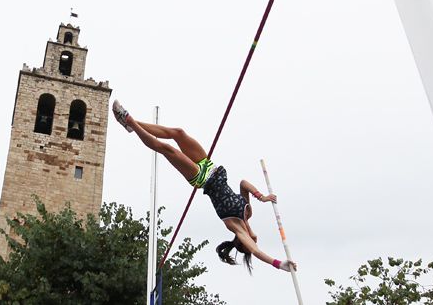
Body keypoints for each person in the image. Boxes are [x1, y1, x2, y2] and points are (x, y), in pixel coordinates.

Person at [112, 100, 297, 274]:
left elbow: (256, 252)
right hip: (210, 166)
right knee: (179, 133)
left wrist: (279, 264)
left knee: (167, 149)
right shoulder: (248, 213)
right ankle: (132, 125)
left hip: (201, 178)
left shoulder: (236, 227)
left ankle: (128, 120)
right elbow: (243, 184)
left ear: (243, 242)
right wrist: (262, 197)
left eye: (249, 243)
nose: (255, 240)